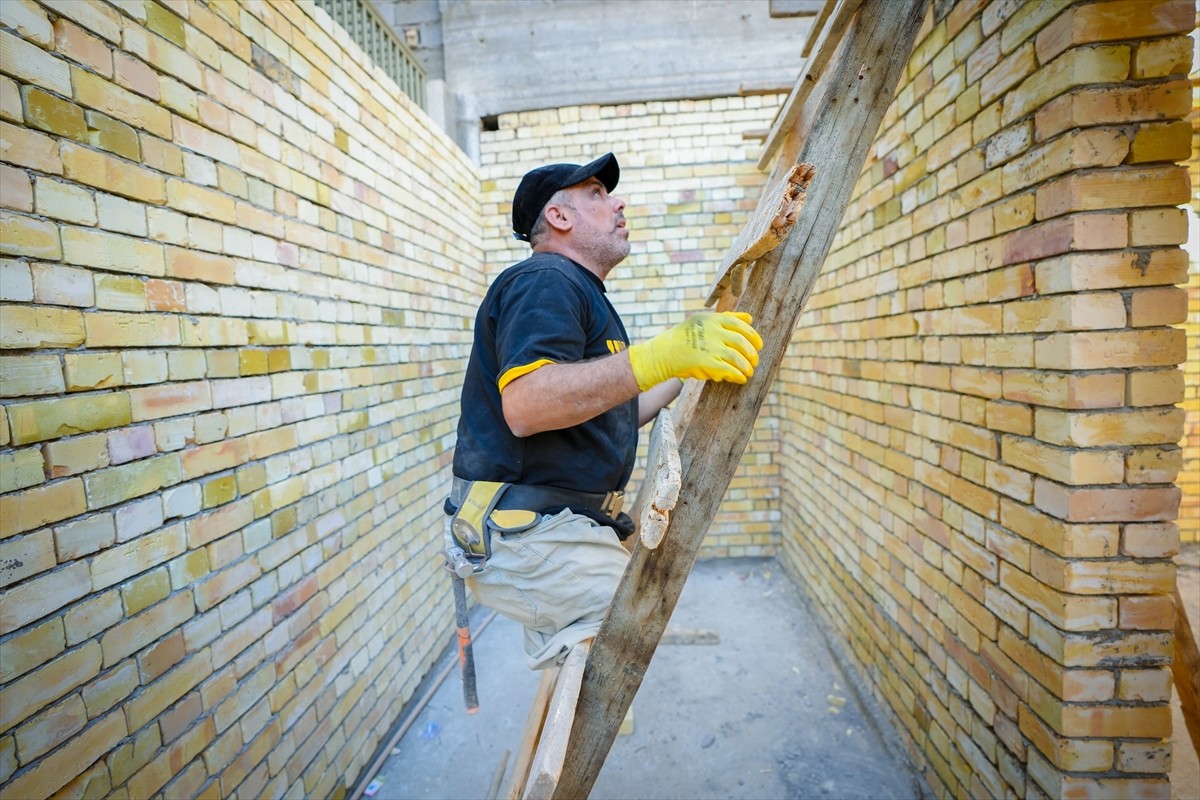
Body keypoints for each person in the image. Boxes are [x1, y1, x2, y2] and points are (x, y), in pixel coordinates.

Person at [446, 152, 763, 669]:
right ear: (559, 218)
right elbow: (527, 405)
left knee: (620, 624)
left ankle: (563, 635)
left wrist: (686, 366)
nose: (617, 203)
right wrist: (660, 353)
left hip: (549, 528)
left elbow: (613, 410)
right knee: (630, 619)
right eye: (596, 193)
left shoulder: (580, 293)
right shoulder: (545, 280)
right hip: (525, 533)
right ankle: (566, 638)